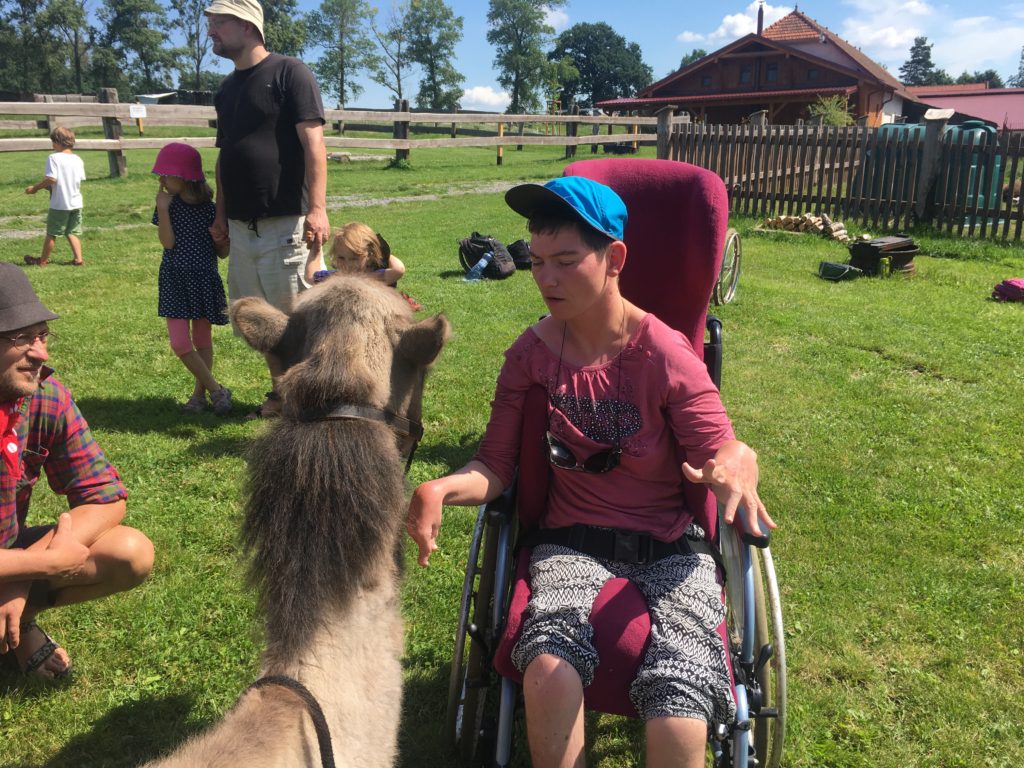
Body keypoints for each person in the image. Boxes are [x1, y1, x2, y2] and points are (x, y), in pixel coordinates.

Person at [406, 177, 776, 768]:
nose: (546, 278)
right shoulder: (529, 354)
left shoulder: (665, 354)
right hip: (569, 543)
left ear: (614, 259)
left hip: (670, 547)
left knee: (679, 703)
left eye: (566, 261)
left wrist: (738, 461)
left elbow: (724, 447)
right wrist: (441, 487)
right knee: (548, 666)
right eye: (537, 261)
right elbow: (495, 465)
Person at [0, 264, 154, 679]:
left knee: (129, 552)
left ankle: (18, 619)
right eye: (20, 338)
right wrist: (33, 567)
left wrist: (24, 571)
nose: (41, 353)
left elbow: (105, 497)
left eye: (42, 335)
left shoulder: (45, 398)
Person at [204, 0, 330, 419]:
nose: (211, 31)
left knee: (297, 321)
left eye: (219, 22)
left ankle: (311, 400)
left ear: (247, 24)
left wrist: (317, 209)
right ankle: (282, 395)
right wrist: (220, 215)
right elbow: (225, 157)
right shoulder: (226, 89)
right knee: (259, 321)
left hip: (286, 224)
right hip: (242, 229)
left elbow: (314, 144)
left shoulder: (290, 73)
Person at [151, 142, 233, 416]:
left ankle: (199, 396)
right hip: (174, 279)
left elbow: (222, 253)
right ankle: (216, 390)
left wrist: (222, 240)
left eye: (166, 175)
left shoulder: (211, 210)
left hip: (204, 279)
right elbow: (168, 243)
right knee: (179, 343)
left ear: (184, 176)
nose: (161, 180)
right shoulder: (168, 205)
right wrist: (163, 210)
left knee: (202, 340)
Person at [24, 126, 86, 267]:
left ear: (57, 142)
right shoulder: (77, 159)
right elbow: (72, 180)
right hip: (76, 203)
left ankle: (42, 261)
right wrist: (49, 187)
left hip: (60, 204)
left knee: (52, 233)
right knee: (71, 232)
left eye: (53, 142)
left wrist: (35, 188)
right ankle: (78, 260)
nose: (52, 145)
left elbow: (52, 179)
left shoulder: (53, 158)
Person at [307, 222, 406, 286]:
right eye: (341, 257)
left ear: (370, 256)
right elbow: (310, 277)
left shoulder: (374, 277)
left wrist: (382, 252)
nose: (347, 264)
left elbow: (399, 270)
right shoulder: (334, 278)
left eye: (354, 258)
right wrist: (316, 247)